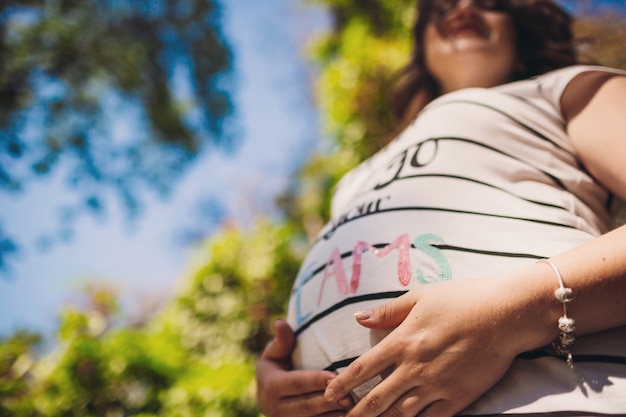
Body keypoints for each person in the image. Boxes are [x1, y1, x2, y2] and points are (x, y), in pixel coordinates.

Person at [256, 0, 626, 415]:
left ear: (522, 27)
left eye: (490, 1)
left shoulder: (566, 90)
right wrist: (278, 383)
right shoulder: (353, 179)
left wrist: (510, 315)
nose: (464, 6)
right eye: (442, 4)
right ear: (421, 43)